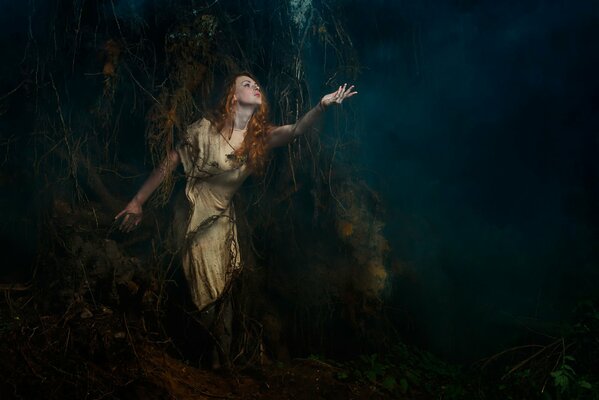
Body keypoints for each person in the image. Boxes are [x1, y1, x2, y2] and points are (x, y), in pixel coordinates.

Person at [115, 72, 357, 368]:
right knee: (205, 288)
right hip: (194, 212)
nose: (255, 86)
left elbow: (295, 131)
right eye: (246, 84)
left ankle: (222, 365)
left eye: (257, 84)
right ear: (232, 96)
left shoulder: (258, 138)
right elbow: (169, 164)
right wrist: (137, 201)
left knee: (226, 289)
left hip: (223, 219)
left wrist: (321, 105)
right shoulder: (204, 130)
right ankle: (207, 358)